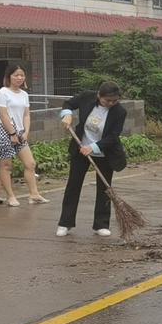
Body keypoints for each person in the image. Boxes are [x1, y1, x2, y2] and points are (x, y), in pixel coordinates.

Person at [56, 82, 127, 238]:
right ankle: (65, 223)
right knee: (73, 185)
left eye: (114, 101)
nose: (111, 103)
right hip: (80, 148)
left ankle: (101, 224)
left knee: (104, 188)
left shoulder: (119, 112)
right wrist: (66, 114)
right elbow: (68, 103)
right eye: (107, 100)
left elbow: (113, 136)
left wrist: (93, 147)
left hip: (104, 152)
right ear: (99, 96)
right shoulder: (87, 97)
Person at [0, 64, 49, 207]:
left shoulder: (24, 94)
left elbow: (26, 115)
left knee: (30, 164)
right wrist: (11, 133)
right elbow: (3, 114)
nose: (19, 78)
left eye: (22, 75)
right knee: (6, 165)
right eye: (16, 75)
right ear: (9, 77)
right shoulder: (3, 92)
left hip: (20, 131)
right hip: (4, 131)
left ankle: (34, 194)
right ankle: (10, 197)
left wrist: (26, 131)